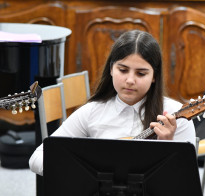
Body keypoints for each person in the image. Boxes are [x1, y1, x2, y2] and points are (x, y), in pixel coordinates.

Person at [29, 30, 196, 176]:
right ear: (111, 69)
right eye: (122, 70)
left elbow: (185, 179)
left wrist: (167, 147)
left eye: (141, 73)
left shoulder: (175, 116)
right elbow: (38, 157)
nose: (130, 80)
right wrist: (84, 170)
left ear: (154, 76)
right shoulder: (92, 112)